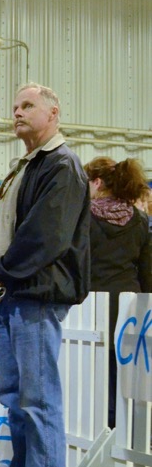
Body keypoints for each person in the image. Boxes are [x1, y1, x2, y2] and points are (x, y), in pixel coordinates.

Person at [0, 84, 90, 467]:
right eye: (15, 106)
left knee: (38, 399)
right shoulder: (26, 166)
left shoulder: (62, 167)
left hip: (35, 297)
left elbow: (44, 236)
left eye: (27, 106)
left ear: (53, 113)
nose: (16, 113)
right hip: (14, 294)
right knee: (17, 397)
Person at [84, 156, 152, 426]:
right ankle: (125, 427)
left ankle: (98, 427)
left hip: (90, 304)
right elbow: (147, 272)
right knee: (125, 372)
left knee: (90, 373)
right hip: (129, 307)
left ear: (97, 183)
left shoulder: (82, 217)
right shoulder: (140, 220)